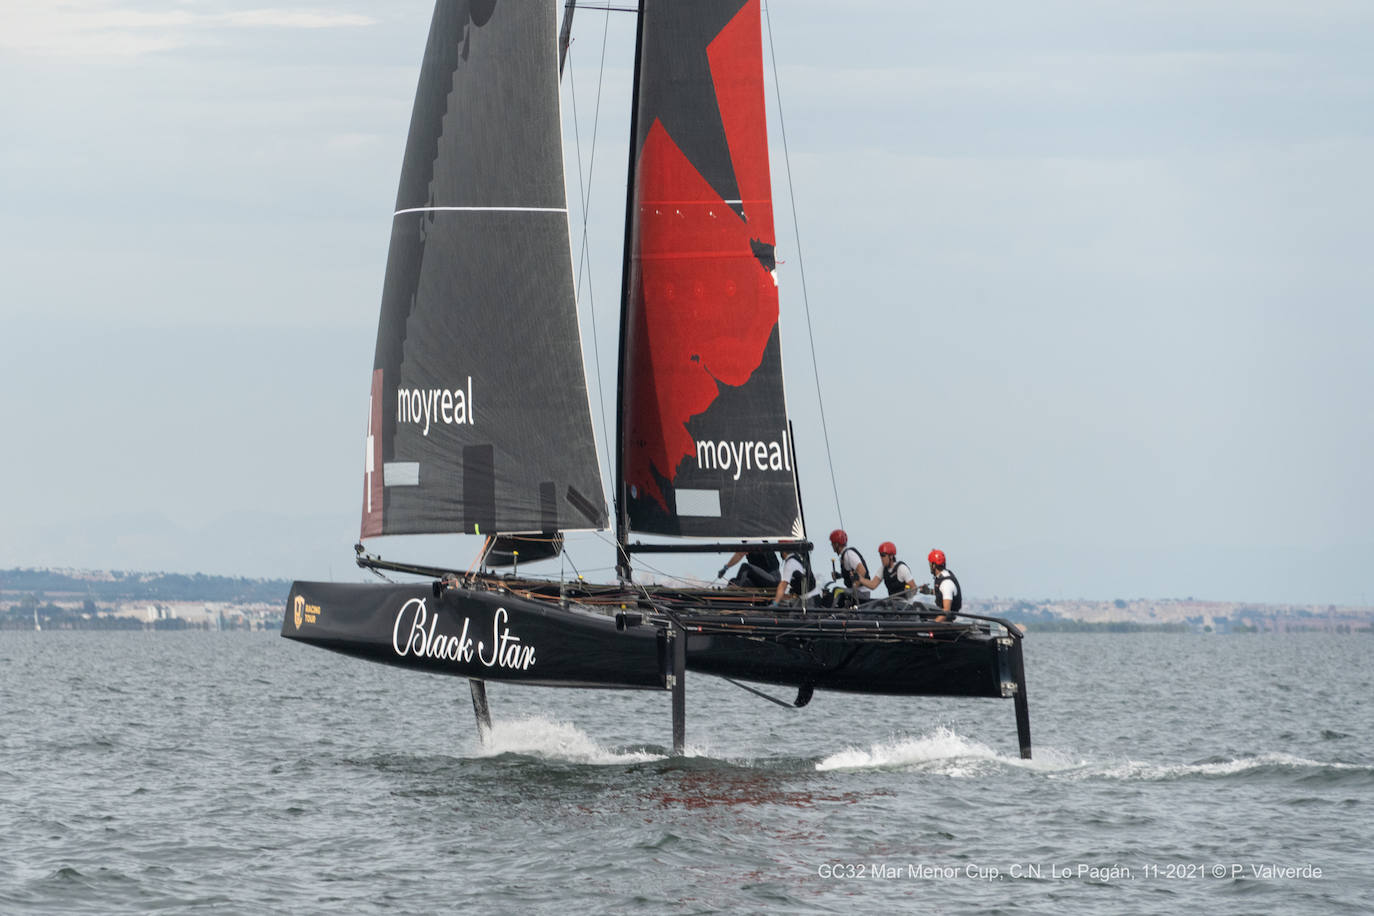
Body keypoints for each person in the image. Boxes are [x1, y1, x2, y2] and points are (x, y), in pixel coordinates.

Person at [827, 528, 871, 605]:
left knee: (837, 591)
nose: (832, 546)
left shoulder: (848, 554)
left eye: (832, 543)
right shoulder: (845, 555)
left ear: (837, 544)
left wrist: (854, 587)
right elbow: (851, 574)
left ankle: (831, 614)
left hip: (862, 592)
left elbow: (862, 570)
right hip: (859, 591)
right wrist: (839, 576)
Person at [919, 548, 962, 621]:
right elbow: (942, 594)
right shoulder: (943, 576)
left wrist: (931, 626)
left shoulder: (946, 583)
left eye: (930, 564)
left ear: (933, 565)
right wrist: (929, 591)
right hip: (943, 618)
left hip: (946, 621)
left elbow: (946, 612)